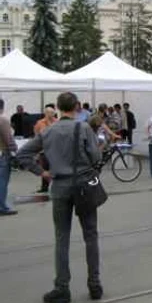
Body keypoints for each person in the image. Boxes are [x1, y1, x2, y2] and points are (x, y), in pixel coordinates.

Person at [14, 92, 103, 302]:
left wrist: (42, 172)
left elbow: (22, 155)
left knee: (62, 238)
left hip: (60, 186)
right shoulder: (84, 128)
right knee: (91, 235)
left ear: (58, 108)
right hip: (83, 186)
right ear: (76, 107)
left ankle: (62, 287)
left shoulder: (48, 131)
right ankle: (94, 284)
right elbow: (96, 157)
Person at [0, 98, 19, 216]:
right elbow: (8, 138)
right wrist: (14, 151)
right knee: (2, 181)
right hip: (2, 153)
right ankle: (2, 207)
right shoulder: (2, 120)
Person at [34, 105, 58, 193]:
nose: (51, 115)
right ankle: (44, 187)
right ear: (45, 113)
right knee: (44, 169)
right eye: (49, 113)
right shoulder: (40, 123)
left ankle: (56, 186)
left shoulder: (57, 122)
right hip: (43, 150)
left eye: (52, 113)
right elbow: (36, 135)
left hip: (55, 150)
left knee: (56, 168)